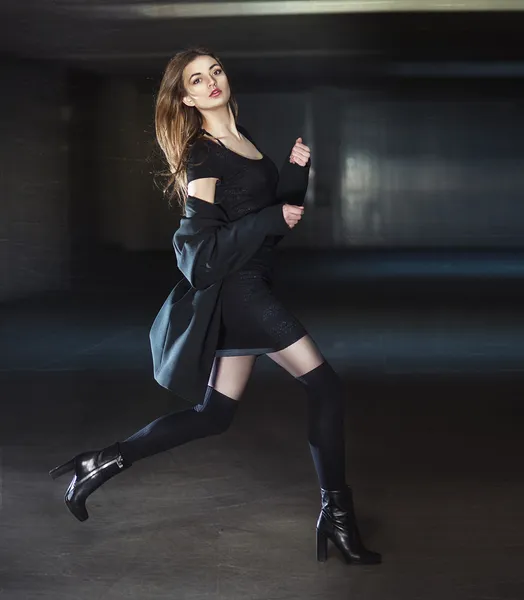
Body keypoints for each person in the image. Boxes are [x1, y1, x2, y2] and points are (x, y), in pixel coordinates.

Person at [49, 47, 381, 566]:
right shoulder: (203, 154)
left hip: (248, 286)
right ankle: (337, 516)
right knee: (326, 387)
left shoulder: (242, 141)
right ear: (185, 97)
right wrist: (271, 220)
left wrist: (295, 176)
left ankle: (100, 462)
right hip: (241, 293)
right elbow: (196, 254)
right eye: (196, 80)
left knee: (214, 415)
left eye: (216, 72)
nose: (210, 83)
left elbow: (267, 220)